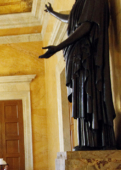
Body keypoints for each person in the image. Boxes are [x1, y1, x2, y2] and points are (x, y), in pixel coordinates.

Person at [40, 0, 116, 150]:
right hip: (81, 59)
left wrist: (58, 47)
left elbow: (86, 26)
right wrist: (53, 13)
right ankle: (88, 141)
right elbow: (73, 18)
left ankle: (96, 141)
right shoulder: (82, 3)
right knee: (83, 98)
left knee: (90, 95)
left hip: (89, 59)